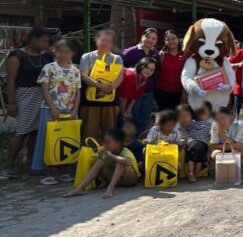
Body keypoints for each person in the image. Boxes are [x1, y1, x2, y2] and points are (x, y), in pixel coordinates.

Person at [2, 27, 53, 180]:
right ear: (33, 39)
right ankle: (9, 166)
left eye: (47, 42)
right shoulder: (17, 56)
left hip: (42, 95)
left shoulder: (47, 56)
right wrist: (11, 103)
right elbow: (11, 81)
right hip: (25, 95)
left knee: (36, 132)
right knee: (22, 131)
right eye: (42, 41)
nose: (45, 44)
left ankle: (32, 164)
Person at [32, 38, 80, 185]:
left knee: (66, 139)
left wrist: (75, 109)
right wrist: (52, 107)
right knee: (48, 139)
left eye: (67, 52)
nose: (63, 55)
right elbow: (45, 89)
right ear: (54, 51)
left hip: (69, 110)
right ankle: (48, 171)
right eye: (60, 51)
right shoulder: (49, 68)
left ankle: (63, 171)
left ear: (72, 53)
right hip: (50, 109)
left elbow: (78, 92)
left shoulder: (75, 70)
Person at [63, 127, 140, 199]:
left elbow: (127, 161)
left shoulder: (125, 152)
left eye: (108, 142)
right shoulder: (105, 150)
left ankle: (110, 190)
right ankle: (80, 189)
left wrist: (111, 156)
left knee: (120, 162)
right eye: (105, 142)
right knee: (100, 162)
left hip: (129, 180)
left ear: (118, 143)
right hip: (114, 179)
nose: (106, 145)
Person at [79, 29, 124, 141]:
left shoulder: (117, 58)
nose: (105, 43)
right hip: (90, 101)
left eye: (109, 41)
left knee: (110, 132)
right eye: (103, 40)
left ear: (112, 43)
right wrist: (100, 86)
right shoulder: (87, 57)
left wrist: (111, 87)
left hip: (110, 100)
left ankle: (109, 152)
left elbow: (120, 76)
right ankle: (88, 151)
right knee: (89, 133)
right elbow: (84, 76)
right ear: (96, 40)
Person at [122, 28, 159, 135]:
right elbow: (120, 68)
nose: (150, 40)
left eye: (154, 39)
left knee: (144, 118)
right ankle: (131, 139)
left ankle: (140, 139)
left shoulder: (155, 53)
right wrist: (132, 71)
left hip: (149, 90)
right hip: (133, 90)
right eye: (148, 37)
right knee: (133, 117)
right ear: (142, 36)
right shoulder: (130, 52)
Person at [118, 56, 158, 133]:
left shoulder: (144, 78)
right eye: (147, 68)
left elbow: (135, 97)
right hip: (117, 106)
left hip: (126, 105)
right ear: (141, 65)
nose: (148, 71)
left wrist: (128, 110)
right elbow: (122, 98)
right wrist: (123, 113)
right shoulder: (130, 76)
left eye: (152, 70)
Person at [176, 104, 211, 183]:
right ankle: (194, 174)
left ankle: (192, 173)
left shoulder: (193, 124)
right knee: (199, 158)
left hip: (195, 143)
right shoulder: (205, 124)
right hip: (199, 143)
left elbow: (211, 134)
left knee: (193, 156)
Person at [155, 30, 186, 111]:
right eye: (167, 39)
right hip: (162, 92)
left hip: (180, 92)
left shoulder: (185, 54)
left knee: (177, 116)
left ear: (178, 39)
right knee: (165, 116)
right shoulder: (161, 55)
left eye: (173, 38)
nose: (171, 41)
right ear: (164, 41)